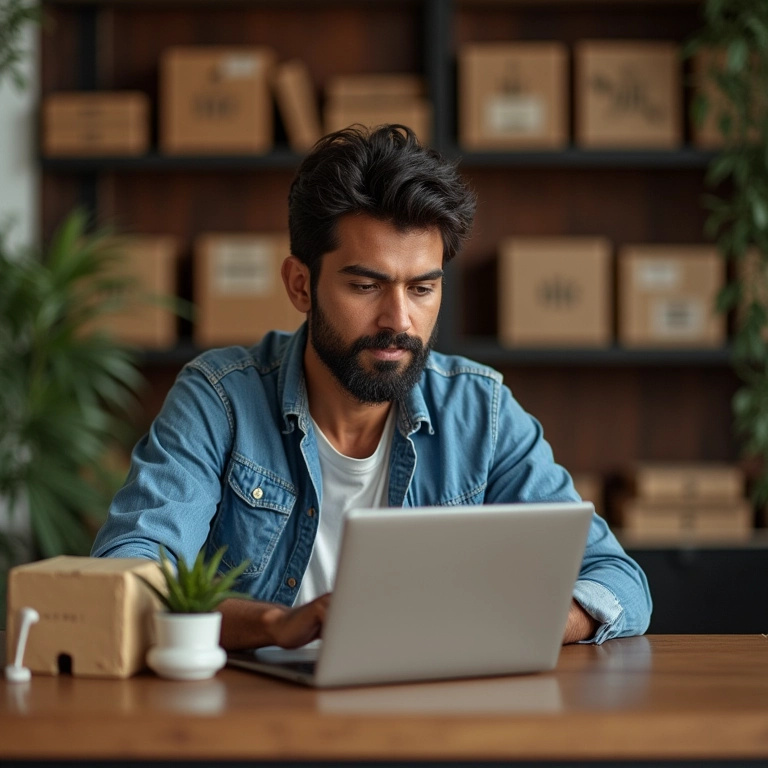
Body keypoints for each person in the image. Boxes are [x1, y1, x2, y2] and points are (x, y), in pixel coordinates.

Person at [92, 124, 652, 651]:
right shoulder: (220, 400)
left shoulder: (480, 412)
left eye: (422, 289)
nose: (399, 320)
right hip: (256, 707)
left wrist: (504, 624)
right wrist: (275, 625)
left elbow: (617, 581)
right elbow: (128, 574)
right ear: (300, 285)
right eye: (366, 286)